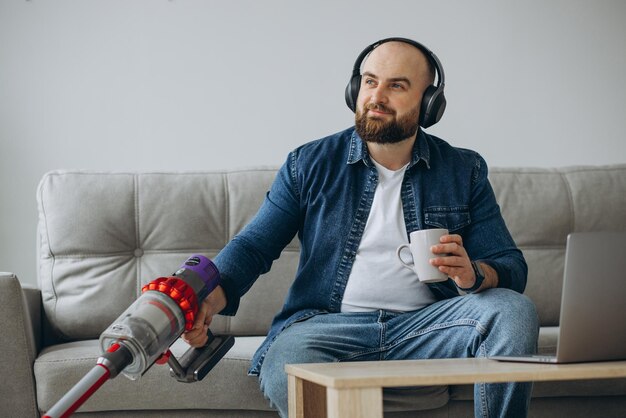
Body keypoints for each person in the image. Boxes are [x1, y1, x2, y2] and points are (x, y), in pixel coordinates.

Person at [183, 37, 539, 418]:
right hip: (325, 328)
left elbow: (510, 266)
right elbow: (255, 246)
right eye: (369, 82)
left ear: (430, 103)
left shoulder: (463, 170)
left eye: (396, 85)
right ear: (355, 89)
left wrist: (474, 276)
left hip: (426, 329)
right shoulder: (309, 163)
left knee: (513, 311)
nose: (376, 96)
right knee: (289, 365)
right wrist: (209, 298)